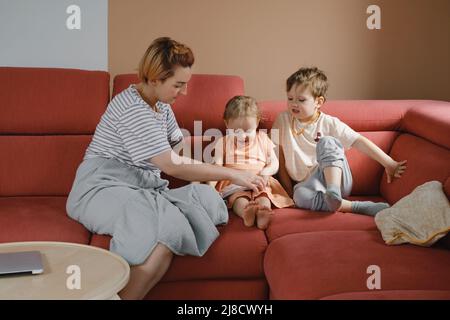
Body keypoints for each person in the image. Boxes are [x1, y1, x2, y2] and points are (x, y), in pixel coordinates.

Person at [66, 37, 265, 300]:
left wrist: (225, 162)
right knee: (158, 221)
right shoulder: (131, 108)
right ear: (155, 78)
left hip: (145, 186)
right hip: (102, 186)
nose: (183, 92)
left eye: (186, 85)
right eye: (178, 85)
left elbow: (178, 152)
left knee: (190, 212)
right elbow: (172, 165)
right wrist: (231, 174)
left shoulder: (161, 106)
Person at [272, 67, 407, 216]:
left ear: (318, 102)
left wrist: (389, 163)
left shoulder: (330, 123)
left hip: (337, 178)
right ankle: (353, 206)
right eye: (290, 98)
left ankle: (333, 190)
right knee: (299, 196)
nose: (293, 104)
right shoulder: (282, 120)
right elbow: (279, 156)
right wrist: (288, 191)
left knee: (327, 141)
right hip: (310, 185)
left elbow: (359, 141)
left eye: (301, 100)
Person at [210, 96, 294, 230]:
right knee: (238, 199)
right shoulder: (224, 142)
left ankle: (263, 213)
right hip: (234, 181)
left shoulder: (263, 138)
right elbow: (217, 166)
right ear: (227, 124)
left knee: (263, 195)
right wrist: (210, 187)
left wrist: (266, 172)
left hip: (260, 179)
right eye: (236, 131)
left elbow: (274, 162)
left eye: (248, 130)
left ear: (257, 122)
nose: (243, 136)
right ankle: (246, 213)